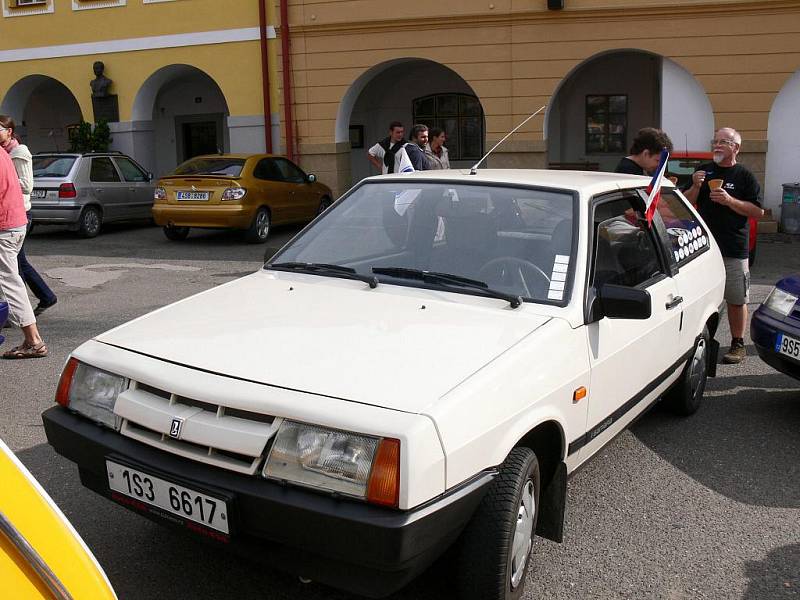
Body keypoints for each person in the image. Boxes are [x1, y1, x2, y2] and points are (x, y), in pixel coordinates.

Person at [684, 127, 763, 364]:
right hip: (703, 248)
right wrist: (696, 187)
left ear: (736, 148)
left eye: (723, 142)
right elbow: (685, 205)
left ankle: (738, 343)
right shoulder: (702, 171)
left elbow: (757, 211)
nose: (717, 146)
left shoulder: (744, 176)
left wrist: (730, 201)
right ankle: (696, 341)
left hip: (733, 247)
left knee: (737, 298)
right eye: (715, 141)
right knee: (699, 296)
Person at [0, 115, 57, 316]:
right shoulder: (4, 152)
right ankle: (45, 297)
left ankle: (18, 311)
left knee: (15, 266)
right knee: (19, 262)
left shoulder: (19, 151)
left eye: (0, 128)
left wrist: (7, 179)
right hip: (13, 213)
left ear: (9, 131)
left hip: (19, 212)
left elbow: (27, 185)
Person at [0, 138, 47, 359]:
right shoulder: (3, 153)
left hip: (5, 227)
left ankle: (34, 340)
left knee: (10, 281)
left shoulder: (12, 153)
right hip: (15, 223)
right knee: (10, 279)